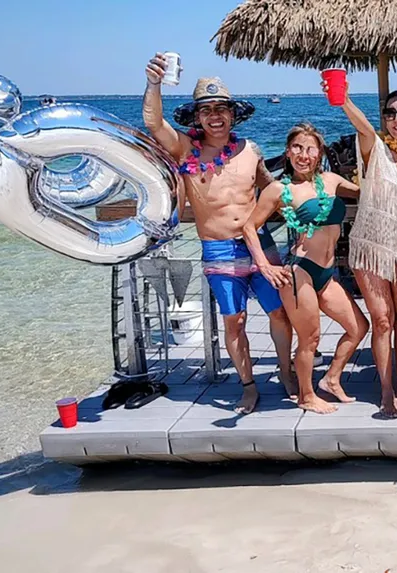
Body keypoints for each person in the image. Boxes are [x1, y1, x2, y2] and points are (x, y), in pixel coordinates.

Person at [143, 55, 293, 415]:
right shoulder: (185, 149)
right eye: (206, 109)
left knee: (279, 314)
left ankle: (287, 374)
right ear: (197, 117)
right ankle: (247, 385)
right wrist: (154, 83)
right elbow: (153, 122)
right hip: (219, 249)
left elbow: (272, 191)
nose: (215, 115)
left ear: (232, 113)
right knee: (234, 319)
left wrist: (302, 218)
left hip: (260, 244)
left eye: (221, 108)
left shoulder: (249, 150)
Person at [327, 79, 397, 418]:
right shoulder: (374, 149)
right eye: (390, 113)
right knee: (383, 320)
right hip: (371, 246)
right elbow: (361, 126)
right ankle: (386, 388)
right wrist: (343, 99)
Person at [242, 123, 369, 415]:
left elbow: (367, 190)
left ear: (319, 152)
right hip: (299, 271)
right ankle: (306, 395)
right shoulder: (279, 189)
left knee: (358, 327)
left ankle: (332, 378)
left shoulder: (332, 180)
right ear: (288, 153)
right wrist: (264, 266)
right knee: (310, 338)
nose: (304, 154)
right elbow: (249, 226)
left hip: (327, 273)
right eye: (297, 148)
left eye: (310, 148)